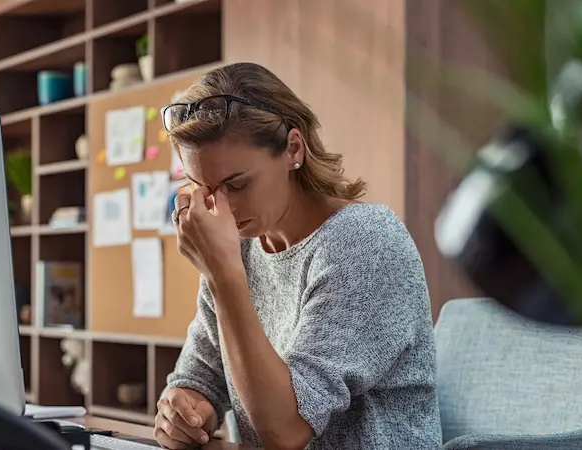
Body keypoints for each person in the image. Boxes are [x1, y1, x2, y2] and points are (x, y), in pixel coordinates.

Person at [155, 62, 442, 450]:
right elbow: (202, 378)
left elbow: (286, 430)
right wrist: (185, 410)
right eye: (203, 187)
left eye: (236, 184)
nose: (219, 207)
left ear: (293, 148)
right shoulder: (238, 247)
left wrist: (224, 276)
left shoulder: (364, 242)